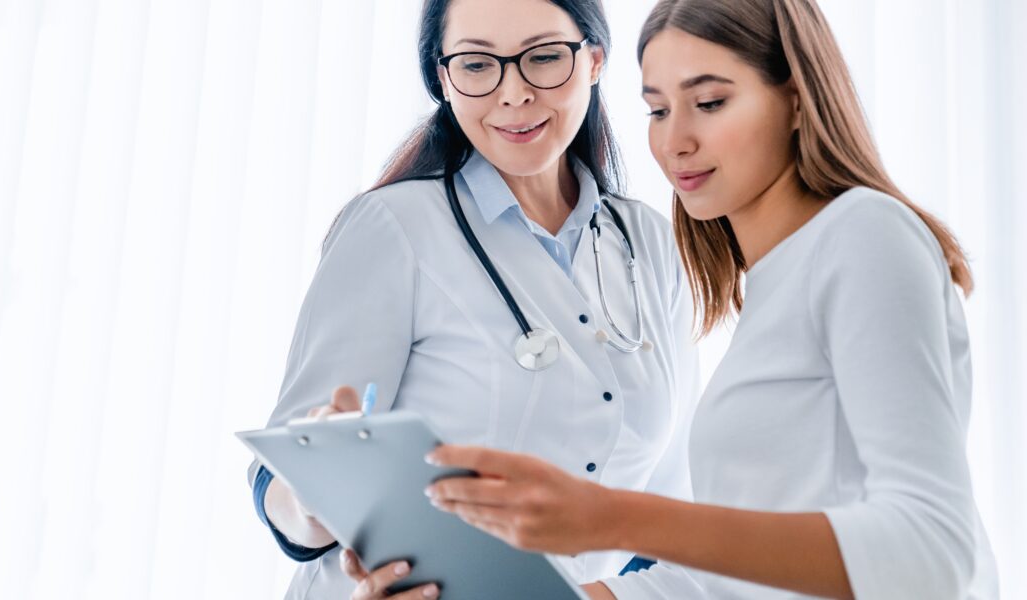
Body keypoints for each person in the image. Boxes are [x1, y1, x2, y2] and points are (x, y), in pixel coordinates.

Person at [426, 0, 1000, 598]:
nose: (674, 142)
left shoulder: (864, 235)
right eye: (658, 110)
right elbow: (730, 580)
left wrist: (610, 516)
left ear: (797, 99)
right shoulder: (776, 283)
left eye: (709, 103)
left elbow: (932, 550)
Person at [246, 0, 701, 597]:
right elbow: (278, 481)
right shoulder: (394, 228)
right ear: (443, 79)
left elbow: (672, 514)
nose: (513, 94)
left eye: (543, 57)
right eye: (478, 65)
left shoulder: (650, 244)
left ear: (594, 61)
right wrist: (316, 491)